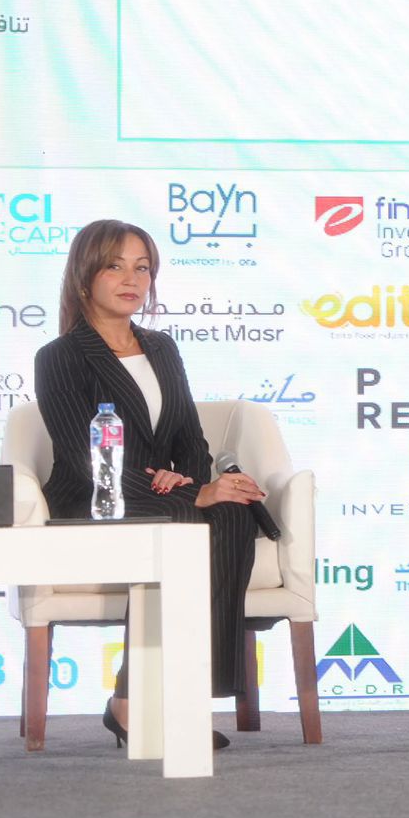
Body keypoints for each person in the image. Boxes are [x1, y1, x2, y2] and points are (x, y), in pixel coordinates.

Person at [33, 219, 264, 750]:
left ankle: (182, 696)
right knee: (182, 517)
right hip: (93, 499)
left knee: (230, 513)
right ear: (84, 276)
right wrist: (189, 494)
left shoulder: (161, 348)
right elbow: (85, 457)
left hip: (165, 494)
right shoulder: (60, 356)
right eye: (114, 266)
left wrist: (191, 481)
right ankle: (135, 701)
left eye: (142, 268)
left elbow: (189, 438)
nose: (131, 279)